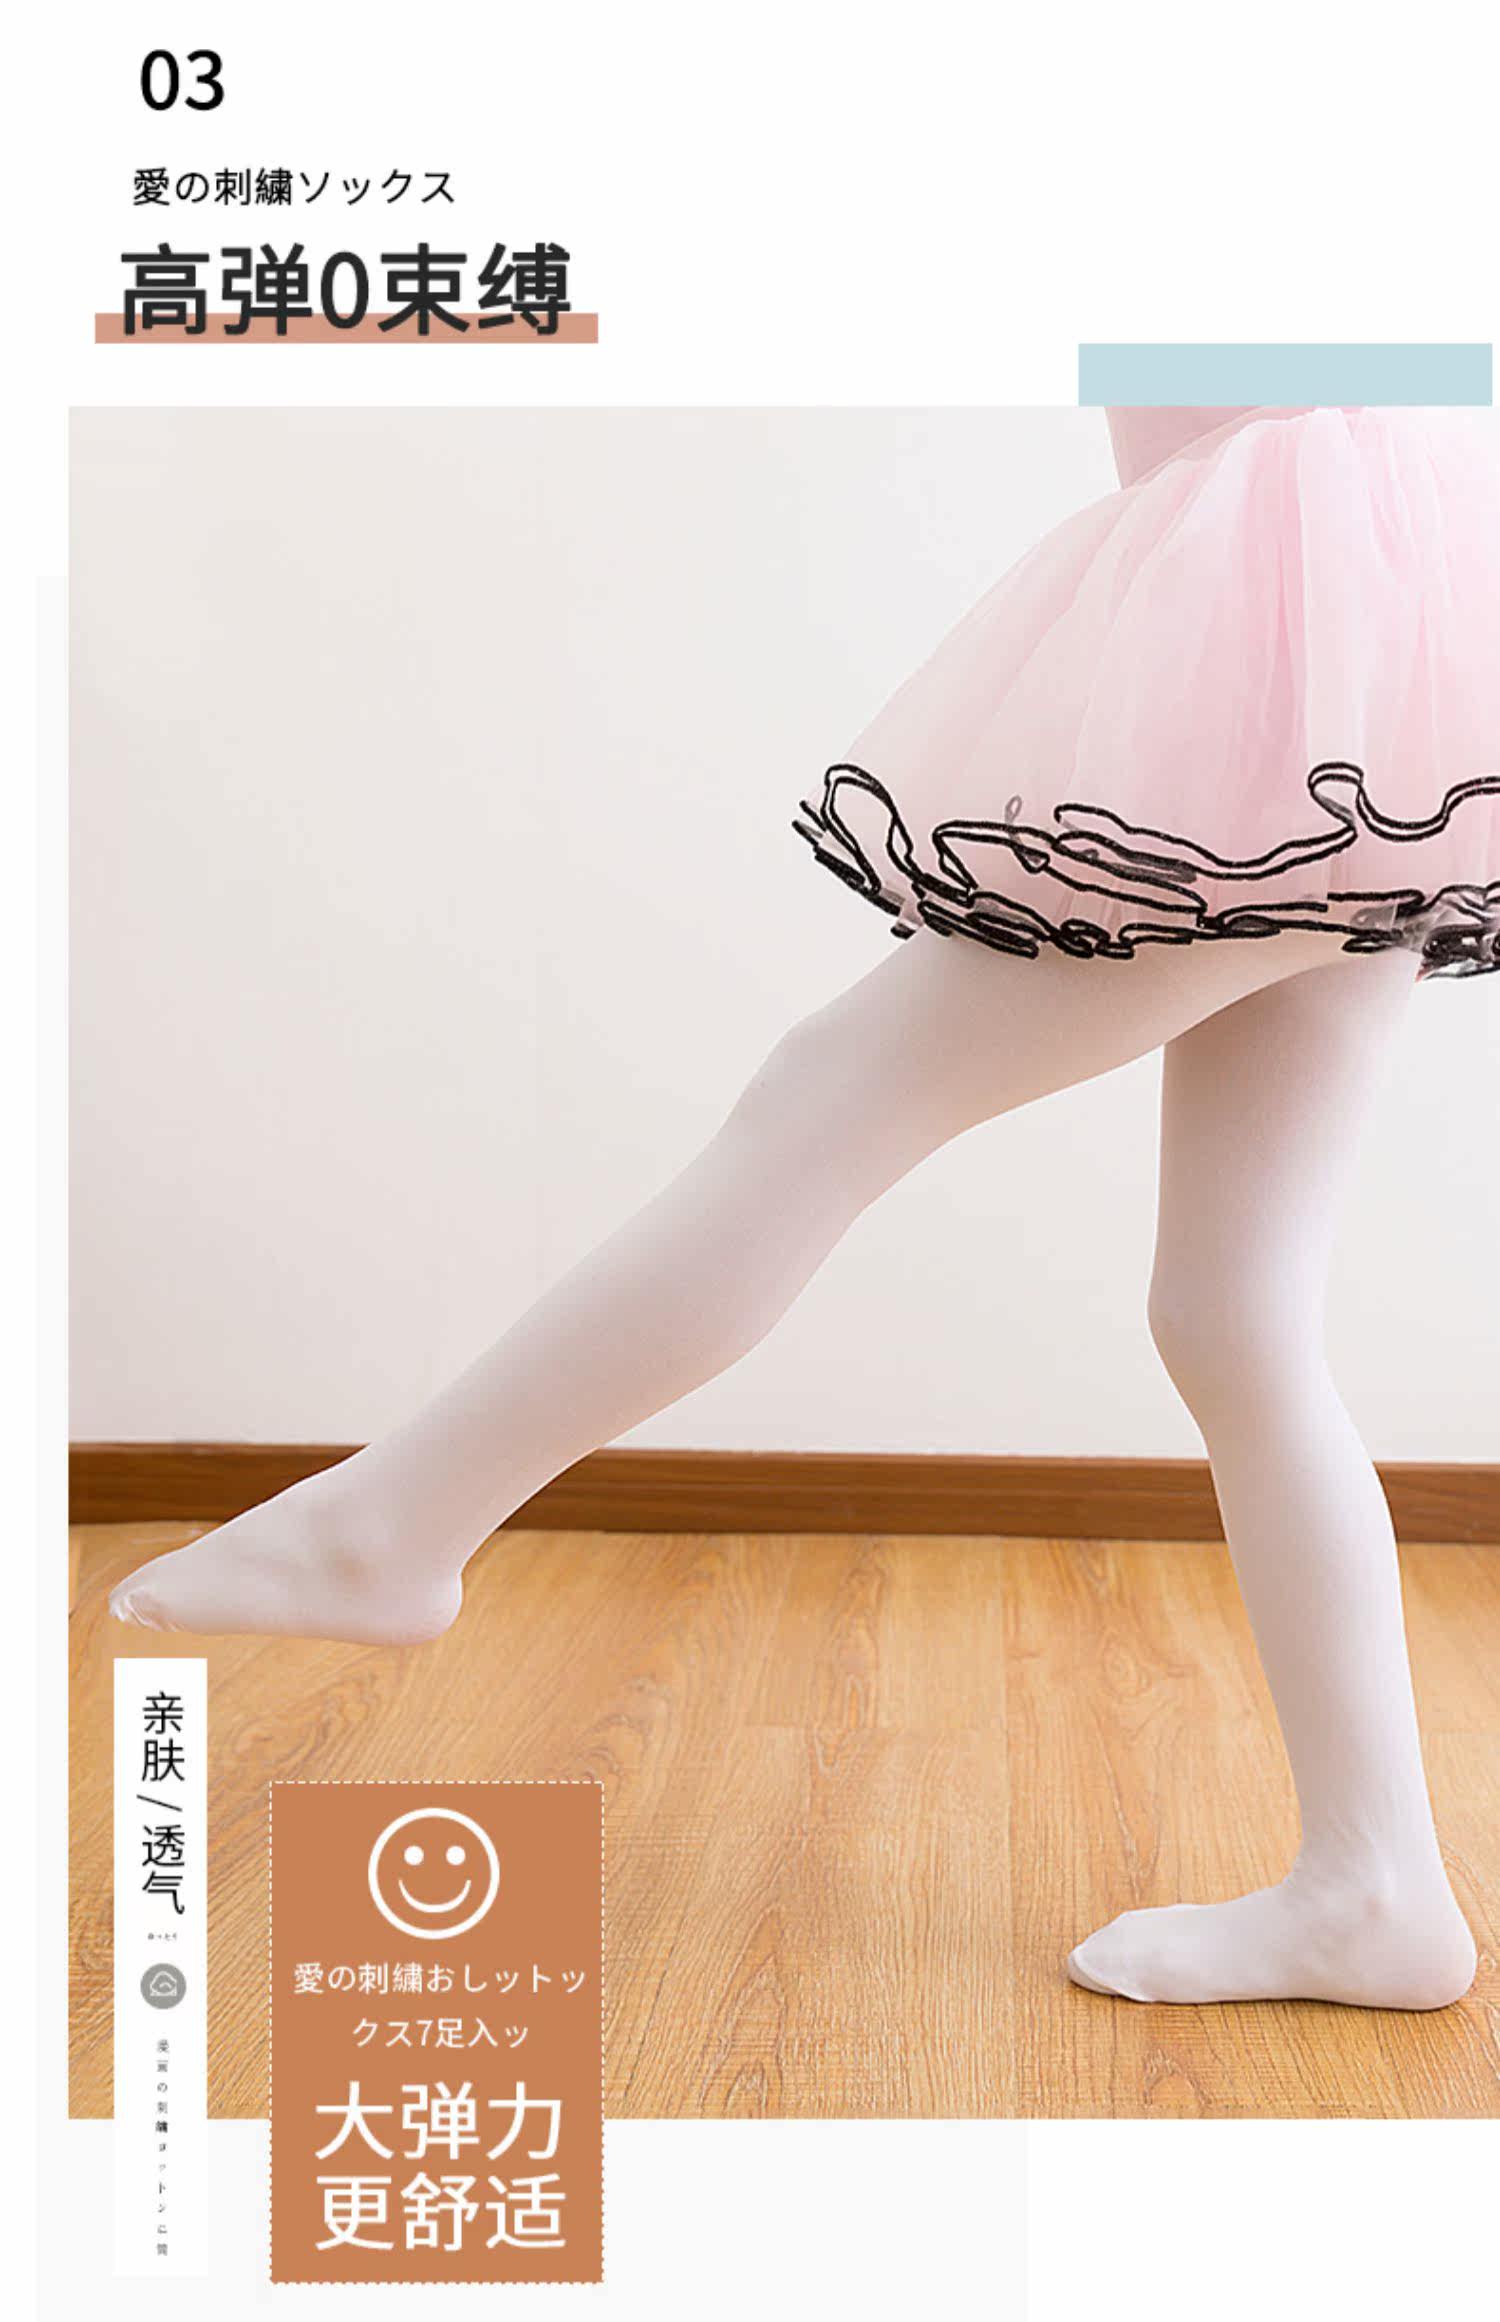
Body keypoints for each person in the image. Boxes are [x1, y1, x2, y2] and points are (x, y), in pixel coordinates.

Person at [109, 405, 1499, 2009]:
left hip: (1302, 646)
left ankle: (393, 1525)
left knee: (831, 1096)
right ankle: (1378, 1884)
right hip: (1377, 658)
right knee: (1234, 1309)